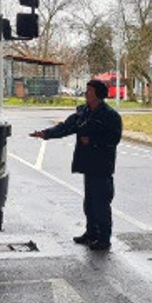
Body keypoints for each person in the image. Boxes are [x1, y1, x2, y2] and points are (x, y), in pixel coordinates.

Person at [30, 80, 122, 250]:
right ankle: (91, 233)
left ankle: (104, 238)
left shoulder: (110, 116)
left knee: (101, 202)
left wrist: (92, 140)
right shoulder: (83, 112)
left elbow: (113, 139)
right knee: (89, 203)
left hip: (102, 165)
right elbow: (66, 127)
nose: (86, 93)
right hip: (88, 164)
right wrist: (45, 134)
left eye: (89, 90)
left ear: (98, 94)